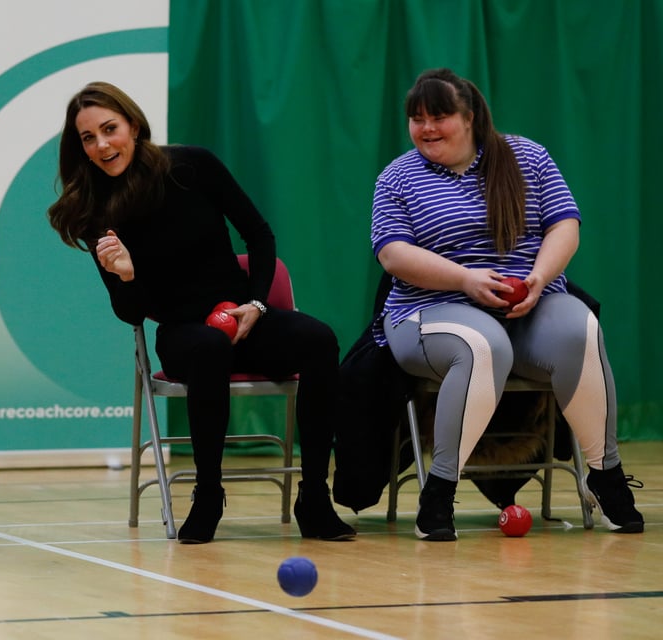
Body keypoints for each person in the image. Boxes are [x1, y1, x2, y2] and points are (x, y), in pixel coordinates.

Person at [47, 81, 354, 544]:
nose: (102, 145)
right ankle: (208, 495)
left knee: (319, 339)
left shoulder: (193, 166)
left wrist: (255, 303)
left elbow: (259, 235)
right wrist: (128, 275)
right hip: (183, 333)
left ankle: (314, 495)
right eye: (88, 138)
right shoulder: (96, 211)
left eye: (109, 129)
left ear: (133, 125)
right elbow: (130, 313)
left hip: (245, 318)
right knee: (208, 348)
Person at [371, 68, 643, 541]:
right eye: (417, 119)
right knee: (482, 344)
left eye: (439, 116)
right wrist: (465, 279)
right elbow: (393, 254)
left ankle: (605, 475)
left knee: (582, 328)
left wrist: (539, 278)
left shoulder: (529, 156)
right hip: (426, 312)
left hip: (530, 304)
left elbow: (565, 225)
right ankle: (439, 490)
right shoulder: (397, 176)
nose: (427, 128)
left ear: (470, 117)